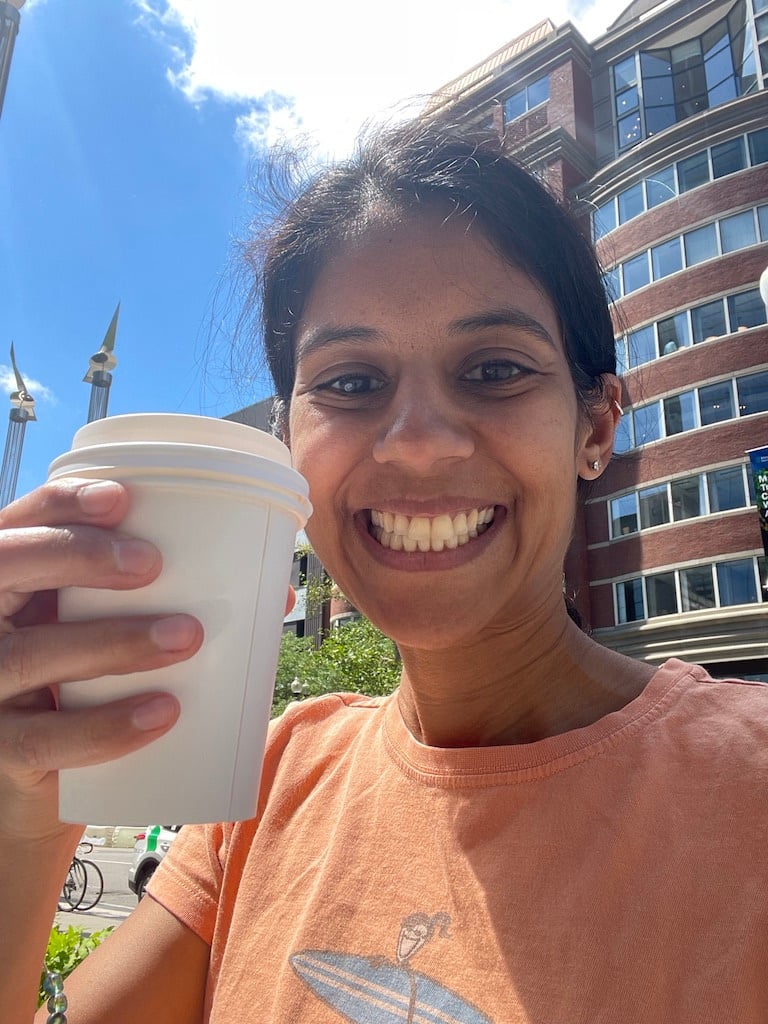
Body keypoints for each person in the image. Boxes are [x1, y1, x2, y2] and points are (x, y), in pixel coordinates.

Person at [2, 117, 767, 1024]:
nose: (417, 445)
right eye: (352, 383)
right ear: (287, 445)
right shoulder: (266, 784)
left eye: (493, 368)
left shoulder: (743, 789)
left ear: (596, 426)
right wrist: (25, 829)